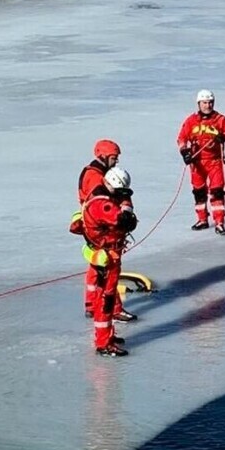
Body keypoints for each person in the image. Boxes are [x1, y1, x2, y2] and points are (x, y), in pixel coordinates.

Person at [82, 167, 139, 357]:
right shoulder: (102, 205)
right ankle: (103, 343)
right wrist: (127, 217)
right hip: (107, 258)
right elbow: (122, 220)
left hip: (109, 255)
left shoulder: (102, 196)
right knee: (105, 301)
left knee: (107, 296)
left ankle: (107, 336)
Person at [176, 89, 225, 236]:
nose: (208, 105)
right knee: (199, 192)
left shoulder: (220, 119)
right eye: (205, 103)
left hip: (214, 162)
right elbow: (181, 138)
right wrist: (185, 152)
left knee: (217, 191)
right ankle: (202, 219)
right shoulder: (191, 121)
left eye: (210, 102)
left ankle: (219, 223)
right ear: (199, 104)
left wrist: (223, 137)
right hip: (197, 162)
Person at [74, 139, 122, 319]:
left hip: (93, 226)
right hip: (100, 230)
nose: (116, 161)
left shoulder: (96, 172)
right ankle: (112, 308)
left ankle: (91, 303)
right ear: (103, 156)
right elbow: (101, 204)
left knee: (97, 266)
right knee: (108, 269)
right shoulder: (95, 177)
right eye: (114, 158)